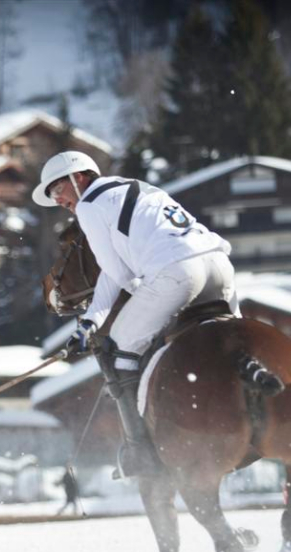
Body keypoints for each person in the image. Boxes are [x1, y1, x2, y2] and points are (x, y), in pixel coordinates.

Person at [33, 151, 239, 478]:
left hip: (178, 272)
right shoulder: (137, 187)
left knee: (118, 350)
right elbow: (111, 272)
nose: (58, 200)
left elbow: (117, 273)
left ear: (79, 177)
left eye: (58, 189)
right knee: (234, 347)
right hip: (218, 265)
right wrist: (90, 322)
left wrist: (134, 293)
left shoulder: (88, 205)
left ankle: (139, 449)